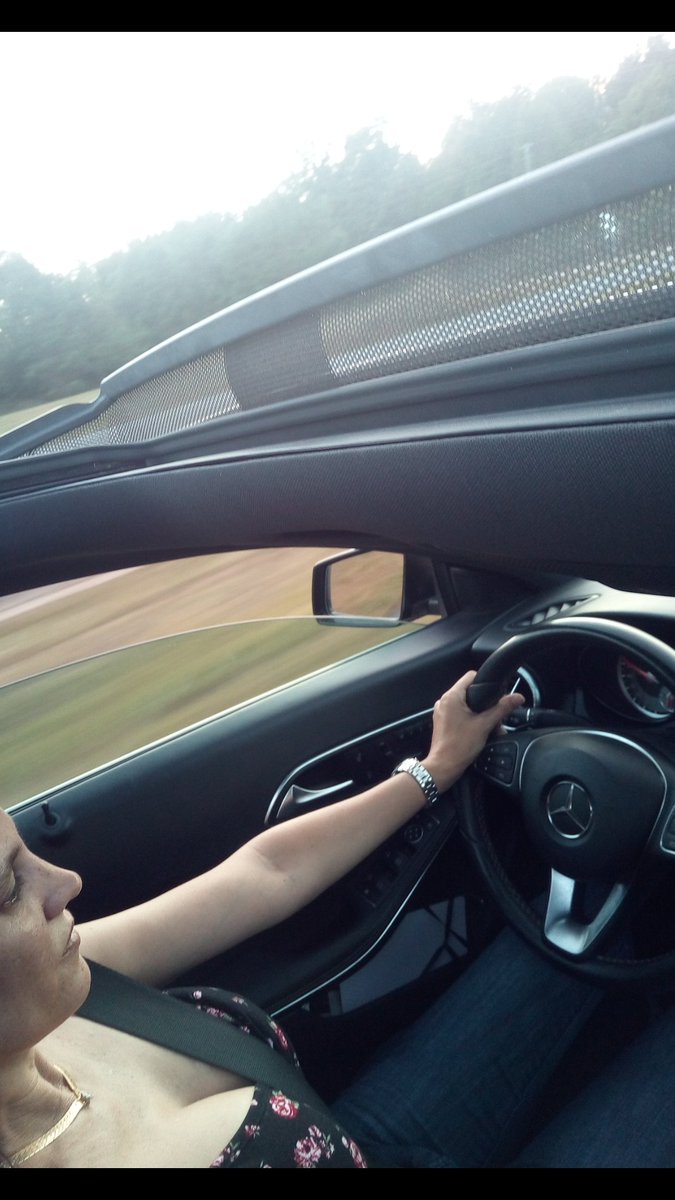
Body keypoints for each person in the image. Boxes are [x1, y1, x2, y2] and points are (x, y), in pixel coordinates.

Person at [0, 669, 668, 1168]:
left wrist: (433, 769)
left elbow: (262, 876)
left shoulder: (71, 994)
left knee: (588, 927)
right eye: (8, 888)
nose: (66, 883)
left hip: (359, 1141)